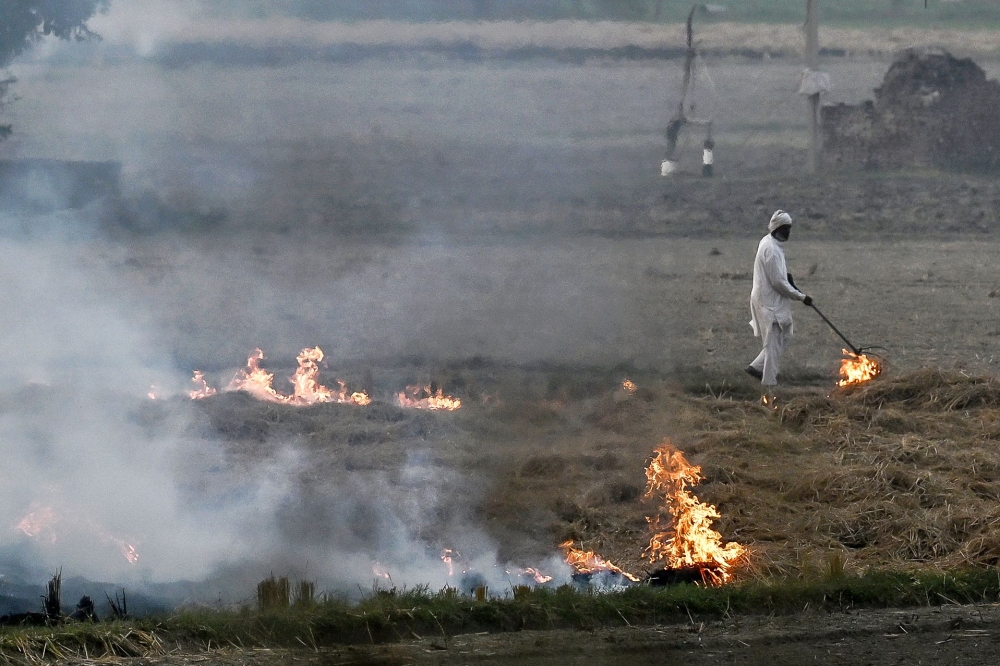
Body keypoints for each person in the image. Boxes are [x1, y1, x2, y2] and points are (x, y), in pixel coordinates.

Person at [746, 210, 813, 386]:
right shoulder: (771, 249)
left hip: (772, 300)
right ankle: (769, 383)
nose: (788, 232)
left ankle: (756, 367)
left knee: (785, 334)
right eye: (786, 229)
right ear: (777, 228)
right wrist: (801, 296)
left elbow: (780, 277)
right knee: (772, 343)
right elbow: (778, 282)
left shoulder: (771, 243)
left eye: (789, 228)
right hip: (768, 302)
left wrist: (790, 281)